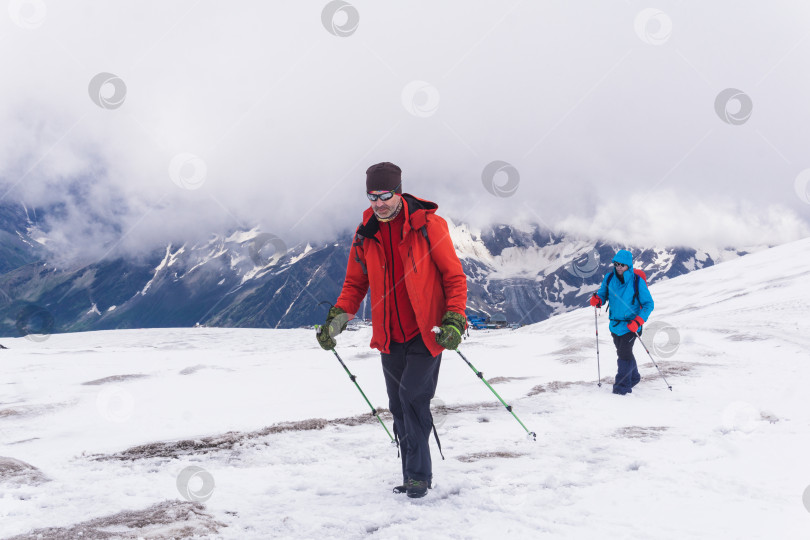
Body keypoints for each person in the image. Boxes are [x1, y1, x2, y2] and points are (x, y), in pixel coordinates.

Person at [316, 161, 468, 499]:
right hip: (388, 336)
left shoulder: (429, 226)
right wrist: (336, 321)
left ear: (398, 192)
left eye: (385, 195)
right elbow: (354, 285)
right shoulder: (365, 234)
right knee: (398, 406)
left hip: (427, 333)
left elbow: (454, 277)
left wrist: (454, 319)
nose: (379, 202)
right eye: (372, 196)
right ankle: (411, 472)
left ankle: (419, 477)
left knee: (412, 397)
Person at [589, 249, 654, 395]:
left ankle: (621, 387)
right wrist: (598, 300)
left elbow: (649, 304)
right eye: (617, 264)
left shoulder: (637, 281)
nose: (619, 267)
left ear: (628, 266)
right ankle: (635, 376)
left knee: (624, 354)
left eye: (622, 265)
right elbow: (602, 294)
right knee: (624, 352)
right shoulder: (609, 278)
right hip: (615, 325)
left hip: (632, 326)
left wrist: (638, 322)